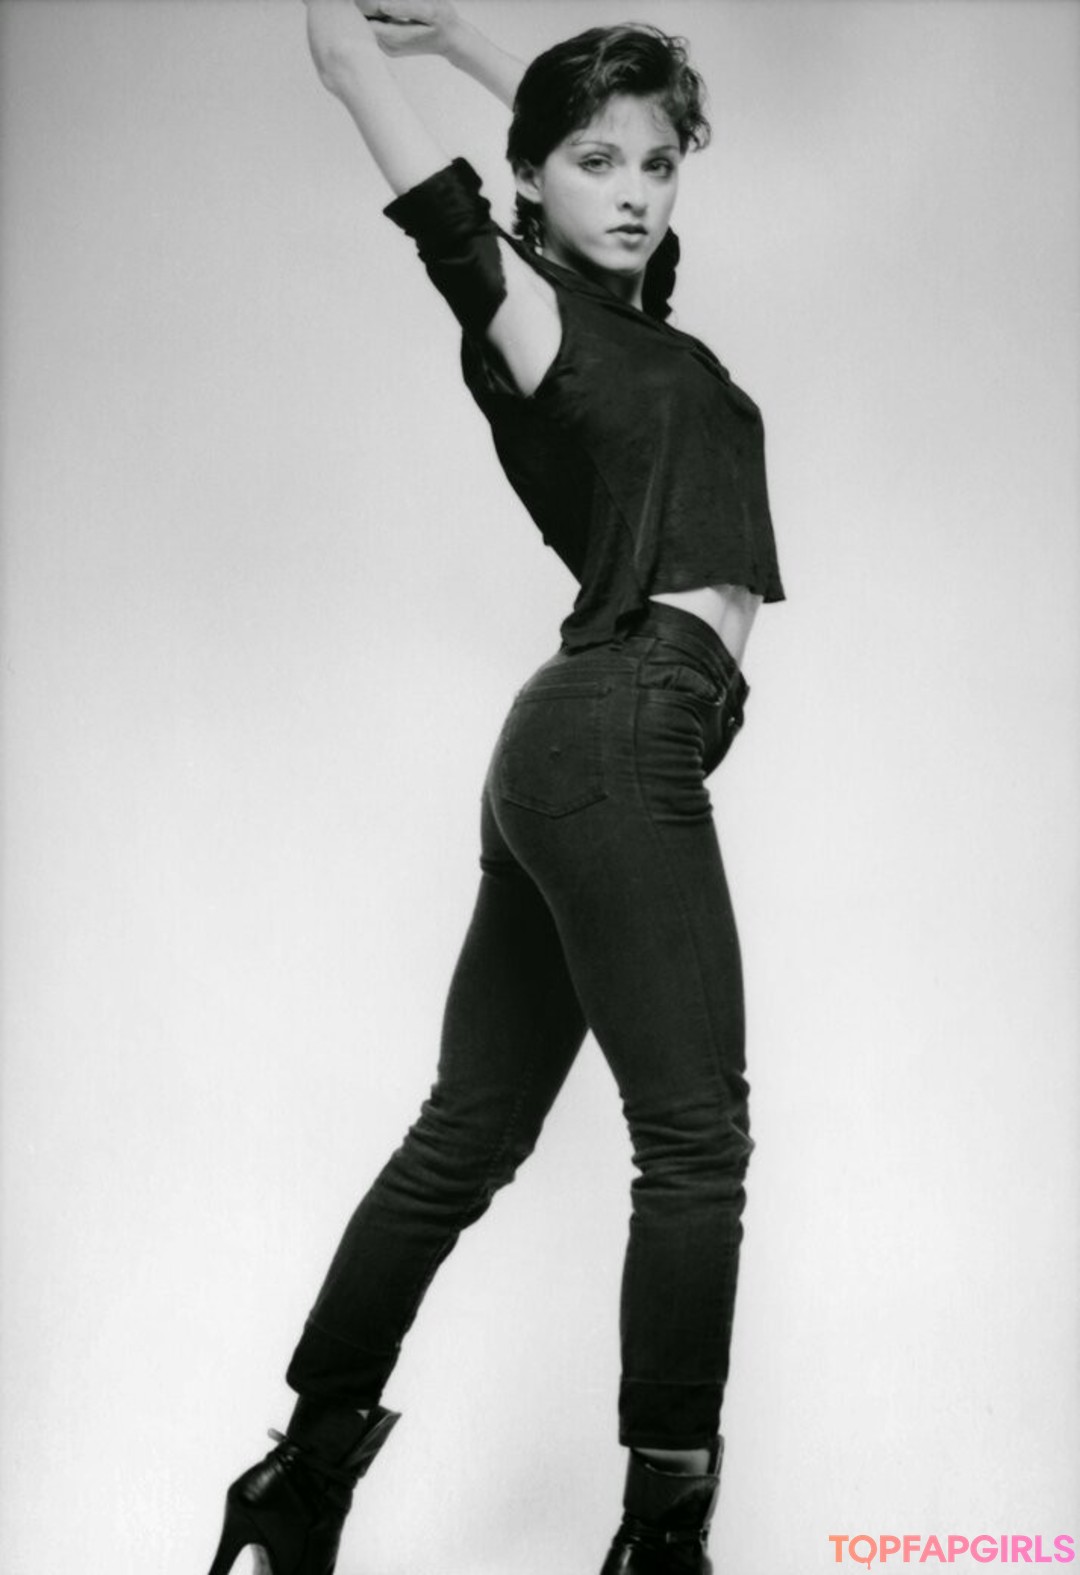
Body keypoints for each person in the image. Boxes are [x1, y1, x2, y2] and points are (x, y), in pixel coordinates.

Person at [206, 2, 784, 1571]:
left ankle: (300, 1476)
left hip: (584, 741)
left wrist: (474, 39)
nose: (637, 191)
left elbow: (612, 182)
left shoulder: (643, 326)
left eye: (658, 164)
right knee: (696, 1143)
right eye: (596, 163)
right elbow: (365, 90)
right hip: (620, 724)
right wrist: (383, 52)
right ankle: (663, 1537)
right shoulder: (527, 319)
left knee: (466, 1134)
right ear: (527, 182)